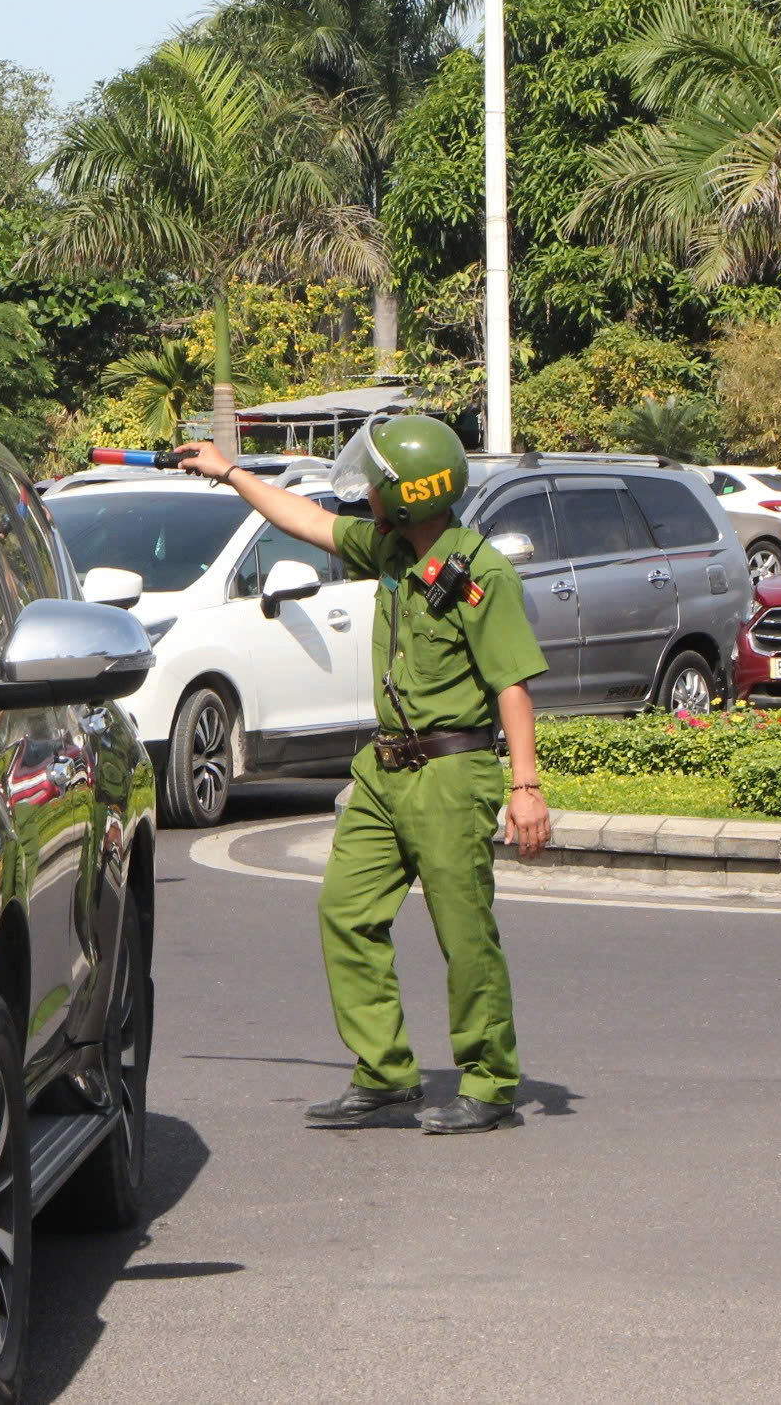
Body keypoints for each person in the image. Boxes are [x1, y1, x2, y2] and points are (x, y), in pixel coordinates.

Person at [176, 416, 552, 1136]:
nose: (366, 493)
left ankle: (489, 1080)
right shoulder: (389, 549)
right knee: (346, 911)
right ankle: (384, 1072)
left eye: (378, 484)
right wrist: (230, 472)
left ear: (410, 496)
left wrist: (525, 788)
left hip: (450, 772)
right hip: (384, 771)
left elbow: (512, 685)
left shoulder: (480, 575)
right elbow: (309, 521)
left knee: (464, 933)